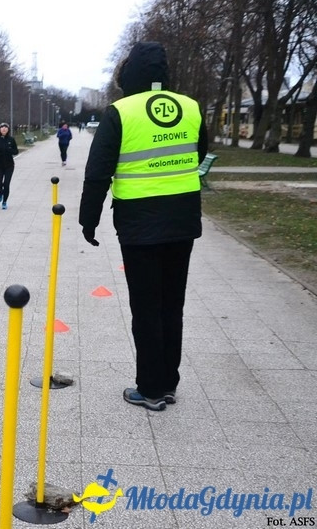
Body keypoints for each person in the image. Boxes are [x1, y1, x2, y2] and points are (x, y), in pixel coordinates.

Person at [78, 42, 208, 411]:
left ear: (129, 73)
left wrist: (89, 220)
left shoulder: (120, 112)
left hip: (139, 226)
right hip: (183, 221)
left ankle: (149, 389)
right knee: (172, 305)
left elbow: (97, 172)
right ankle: (168, 382)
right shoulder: (190, 107)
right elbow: (197, 153)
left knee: (147, 307)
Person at [0, 122, 19, 210]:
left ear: (8, 129)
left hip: (9, 165)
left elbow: (16, 151)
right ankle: (1, 192)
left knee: (6, 184)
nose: (4, 129)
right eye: (2, 127)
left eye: (5, 127)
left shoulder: (11, 139)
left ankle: (4, 201)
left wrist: (10, 150)